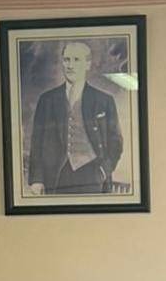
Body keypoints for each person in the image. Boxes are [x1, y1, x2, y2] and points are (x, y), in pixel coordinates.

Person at [27, 41, 123, 195]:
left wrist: (103, 171)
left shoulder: (104, 100)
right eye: (67, 60)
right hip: (56, 176)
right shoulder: (47, 100)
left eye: (76, 60)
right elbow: (37, 142)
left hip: (93, 175)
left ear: (87, 64)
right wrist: (36, 179)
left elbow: (115, 142)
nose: (70, 65)